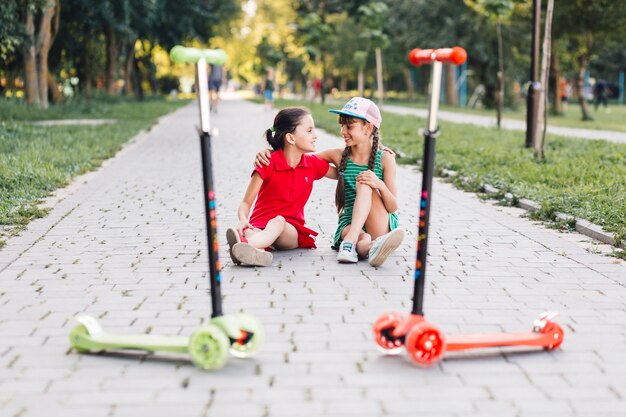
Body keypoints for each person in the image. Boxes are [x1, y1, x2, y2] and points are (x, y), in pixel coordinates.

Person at [255, 97, 404, 267]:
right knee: (363, 241)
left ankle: (352, 243)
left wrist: (379, 184)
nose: (342, 131)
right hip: (350, 223)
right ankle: (371, 249)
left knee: (365, 181)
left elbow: (392, 207)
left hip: (379, 222)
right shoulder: (338, 155)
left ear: (368, 128)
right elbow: (297, 159)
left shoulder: (385, 159)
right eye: (341, 125)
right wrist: (271, 153)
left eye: (349, 126)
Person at [226, 107, 337, 267]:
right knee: (252, 231)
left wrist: (375, 152)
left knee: (278, 222)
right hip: (259, 226)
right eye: (309, 130)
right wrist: (243, 220)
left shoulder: (312, 164)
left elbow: (342, 173)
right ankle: (255, 252)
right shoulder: (267, 162)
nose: (315, 135)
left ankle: (246, 246)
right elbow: (246, 203)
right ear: (291, 138)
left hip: (289, 231)